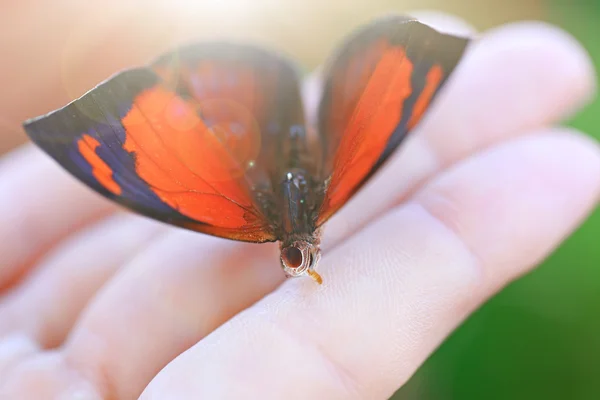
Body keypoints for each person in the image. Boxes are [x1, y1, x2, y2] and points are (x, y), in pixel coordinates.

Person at [0, 10, 599, 400]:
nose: (300, 251)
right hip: (291, 139)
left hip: (246, 124)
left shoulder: (247, 218)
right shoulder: (281, 218)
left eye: (298, 251)